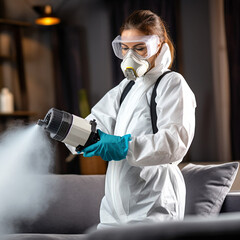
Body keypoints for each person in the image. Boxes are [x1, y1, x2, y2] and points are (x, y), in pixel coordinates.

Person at [78, 10, 196, 228]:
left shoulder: (171, 84)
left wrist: (125, 146)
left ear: (159, 45)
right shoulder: (126, 88)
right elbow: (94, 124)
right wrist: (67, 129)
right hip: (113, 212)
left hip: (154, 207)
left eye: (139, 48)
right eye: (125, 48)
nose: (131, 57)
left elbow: (175, 143)